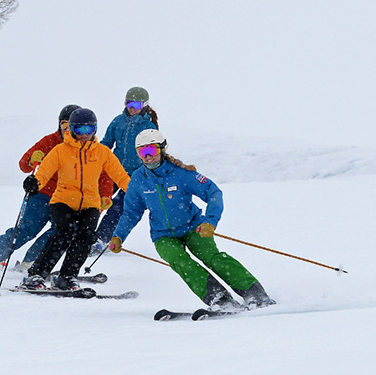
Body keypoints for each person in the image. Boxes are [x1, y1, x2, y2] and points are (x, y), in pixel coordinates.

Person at [108, 129, 275, 310]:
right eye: (142, 152)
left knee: (212, 257)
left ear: (162, 149)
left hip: (194, 227)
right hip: (163, 235)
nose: (148, 156)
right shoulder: (138, 180)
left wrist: (210, 221)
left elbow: (213, 192)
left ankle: (254, 293)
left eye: (152, 150)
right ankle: (219, 299)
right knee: (180, 262)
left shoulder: (181, 173)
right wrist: (118, 236)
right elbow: (131, 213)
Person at [19, 108, 131, 291]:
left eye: (89, 130)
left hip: (90, 204)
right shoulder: (60, 150)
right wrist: (35, 183)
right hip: (63, 201)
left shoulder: (102, 153)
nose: (84, 135)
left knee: (86, 238)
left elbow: (120, 176)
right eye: (79, 130)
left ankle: (67, 277)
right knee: (63, 233)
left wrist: (137, 193)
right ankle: (37, 274)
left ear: (95, 130)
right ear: (71, 129)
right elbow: (45, 172)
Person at [0, 104, 83, 270]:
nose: (67, 130)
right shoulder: (50, 141)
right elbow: (24, 165)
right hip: (42, 194)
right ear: (59, 125)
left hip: (65, 199)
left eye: (72, 126)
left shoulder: (83, 148)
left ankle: (32, 261)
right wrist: (32, 159)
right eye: (64, 125)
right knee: (28, 229)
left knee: (60, 231)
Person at [93, 86, 159, 252]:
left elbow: (152, 152)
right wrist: (95, 159)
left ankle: (101, 238)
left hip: (133, 176)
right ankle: (84, 233)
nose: (131, 108)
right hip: (112, 170)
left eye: (136, 105)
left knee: (118, 207)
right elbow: (107, 142)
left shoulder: (148, 126)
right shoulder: (118, 121)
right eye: (129, 103)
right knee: (97, 200)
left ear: (144, 105)